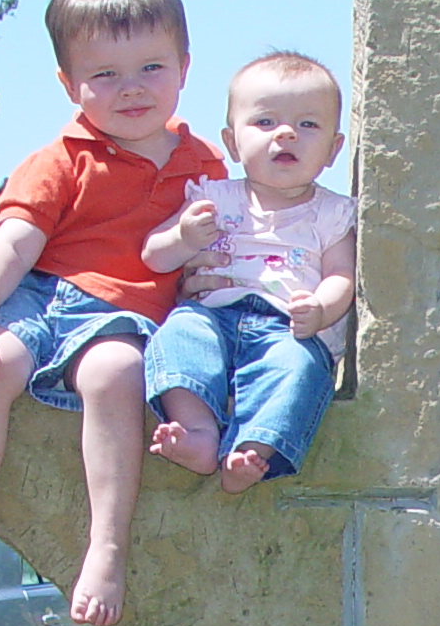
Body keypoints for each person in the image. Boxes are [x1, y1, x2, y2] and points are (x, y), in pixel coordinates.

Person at [0, 0, 227, 626]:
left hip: (126, 316)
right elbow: (13, 245)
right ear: (68, 83)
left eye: (152, 67)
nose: (132, 89)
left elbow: (217, 257)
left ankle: (107, 548)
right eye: (105, 75)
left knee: (116, 369)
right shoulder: (59, 159)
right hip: (45, 296)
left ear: (184, 65)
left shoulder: (204, 165)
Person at [140, 52, 356, 491]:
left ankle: (255, 450)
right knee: (179, 333)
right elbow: (154, 256)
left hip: (285, 328)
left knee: (299, 368)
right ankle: (197, 431)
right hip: (213, 316)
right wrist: (182, 237)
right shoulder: (213, 197)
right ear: (232, 142)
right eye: (265, 121)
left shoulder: (332, 214)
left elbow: (342, 276)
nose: (286, 134)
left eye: (308, 124)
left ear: (334, 149)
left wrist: (319, 308)